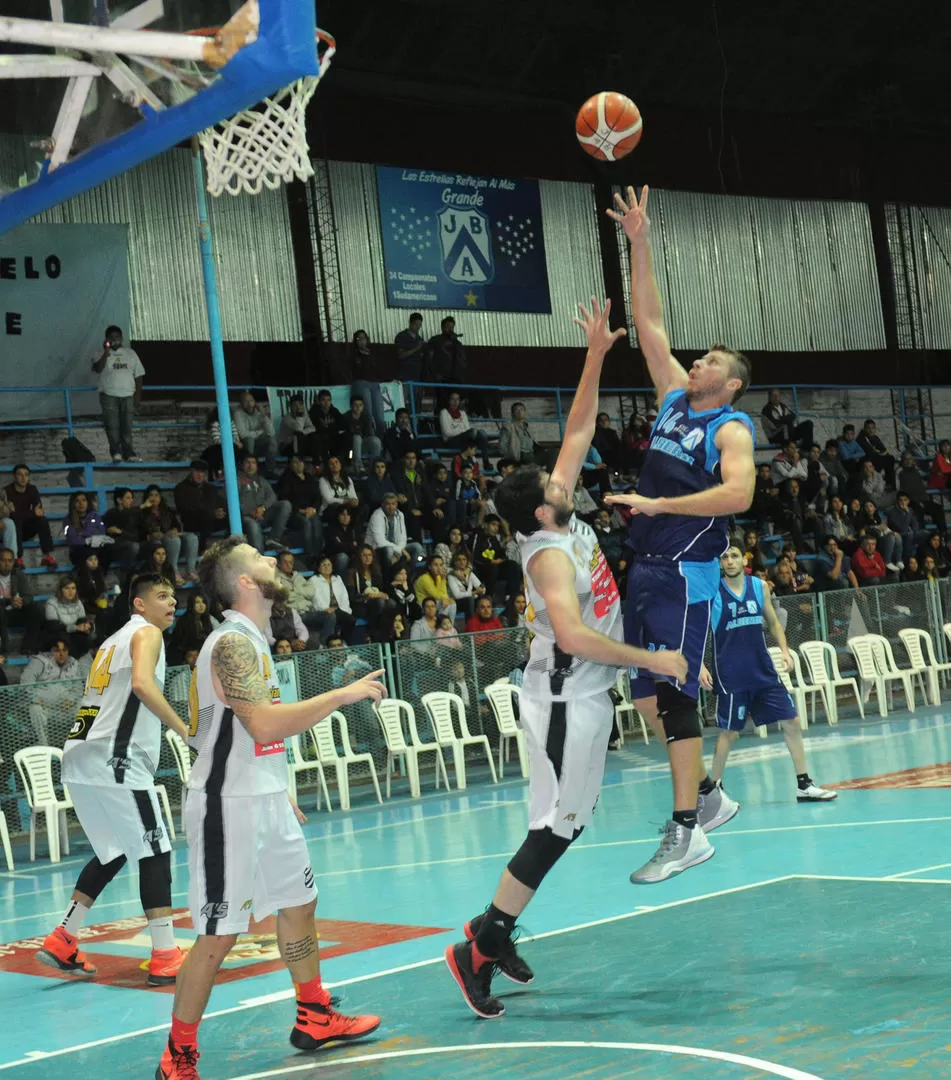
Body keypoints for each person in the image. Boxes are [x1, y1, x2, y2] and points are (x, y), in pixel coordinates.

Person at [445, 297, 687, 1019]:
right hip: (560, 694)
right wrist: (654, 658)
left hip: (585, 692)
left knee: (564, 824)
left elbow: (578, 426)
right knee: (555, 826)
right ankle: (479, 945)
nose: (565, 478)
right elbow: (574, 637)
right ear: (542, 513)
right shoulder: (547, 557)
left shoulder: (558, 515)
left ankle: (490, 931)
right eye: (555, 486)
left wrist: (593, 354)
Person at [153, 540, 383, 1078]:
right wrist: (339, 696)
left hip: (263, 798)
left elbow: (251, 733)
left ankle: (314, 1014)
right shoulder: (230, 643)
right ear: (246, 583)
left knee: (300, 900)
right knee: (218, 935)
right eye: (258, 557)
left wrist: (277, 786)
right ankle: (177, 1055)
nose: (272, 559)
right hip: (226, 807)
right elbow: (262, 722)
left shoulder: (253, 639)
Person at [605, 185, 756, 884]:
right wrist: (637, 241)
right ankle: (708, 794)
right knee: (642, 698)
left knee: (670, 695)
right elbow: (649, 323)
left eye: (708, 365)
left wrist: (660, 505)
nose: (694, 364)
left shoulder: (728, 427)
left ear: (729, 386)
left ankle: (686, 830)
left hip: (687, 575)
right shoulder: (672, 397)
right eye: (695, 362)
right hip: (647, 568)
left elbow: (739, 493)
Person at [36, 574, 189, 987]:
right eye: (162, 596)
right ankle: (164, 954)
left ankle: (64, 935)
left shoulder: (111, 642)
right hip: (116, 758)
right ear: (139, 605)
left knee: (115, 850)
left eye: (174, 596)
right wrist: (184, 729)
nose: (171, 602)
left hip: (81, 756)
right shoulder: (147, 634)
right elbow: (141, 684)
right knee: (155, 849)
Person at [701, 547, 836, 802]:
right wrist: (699, 666)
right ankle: (712, 791)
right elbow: (697, 630)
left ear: (744, 559)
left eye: (734, 556)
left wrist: (785, 651)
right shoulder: (712, 591)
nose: (729, 561)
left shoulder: (759, 587)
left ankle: (804, 784)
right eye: (724, 557)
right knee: (729, 731)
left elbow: (773, 622)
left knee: (792, 721)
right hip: (730, 673)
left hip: (762, 669)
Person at [92, 324, 144, 463]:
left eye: (117, 337)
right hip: (109, 396)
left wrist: (137, 396)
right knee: (112, 426)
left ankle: (129, 453)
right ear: (107, 339)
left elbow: (139, 376)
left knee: (126, 426)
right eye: (112, 337)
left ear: (122, 338)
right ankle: (116, 453)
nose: (115, 339)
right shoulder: (99, 353)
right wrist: (106, 352)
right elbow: (97, 369)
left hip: (128, 395)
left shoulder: (130, 353)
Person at [19, 634, 81, 745]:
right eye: (57, 651)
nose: (61, 654)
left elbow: (78, 688)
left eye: (64, 650)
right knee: (35, 708)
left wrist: (71, 700)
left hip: (65, 709)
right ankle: (44, 744)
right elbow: (26, 681)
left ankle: (77, 742)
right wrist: (35, 699)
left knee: (83, 704)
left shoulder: (73, 663)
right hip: (46, 709)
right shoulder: (40, 662)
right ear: (50, 651)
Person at [4, 464, 57, 570]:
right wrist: (32, 513)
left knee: (42, 520)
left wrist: (22, 513)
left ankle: (47, 556)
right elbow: (10, 515)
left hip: (27, 529)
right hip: (13, 531)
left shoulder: (32, 489)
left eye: (26, 475)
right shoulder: (6, 491)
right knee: (16, 520)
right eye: (20, 475)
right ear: (14, 477)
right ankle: (18, 558)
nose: (23, 478)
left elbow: (40, 512)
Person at [140, 485, 193, 586]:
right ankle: (174, 573)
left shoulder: (167, 511)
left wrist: (175, 529)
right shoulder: (142, 513)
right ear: (146, 498)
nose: (154, 498)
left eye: (157, 495)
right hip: (155, 541)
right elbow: (140, 530)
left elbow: (176, 525)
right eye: (151, 495)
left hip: (169, 537)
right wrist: (150, 535)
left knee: (191, 537)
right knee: (174, 541)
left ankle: (191, 570)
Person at [237, 454, 291, 553]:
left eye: (253, 463)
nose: (250, 465)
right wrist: (250, 512)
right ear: (242, 465)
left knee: (285, 505)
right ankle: (259, 556)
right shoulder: (236, 481)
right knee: (253, 526)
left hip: (262, 515)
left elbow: (272, 496)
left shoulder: (261, 480)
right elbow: (234, 502)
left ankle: (273, 539)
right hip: (246, 517)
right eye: (247, 462)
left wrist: (263, 508)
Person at [174, 461, 226, 562]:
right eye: (197, 472)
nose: (200, 475)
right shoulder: (181, 488)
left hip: (211, 521)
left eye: (202, 472)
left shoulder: (210, 488)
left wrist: (220, 511)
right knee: (205, 514)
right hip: (193, 523)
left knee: (233, 512)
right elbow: (184, 509)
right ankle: (201, 547)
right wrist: (212, 513)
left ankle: (229, 544)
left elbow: (221, 502)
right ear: (191, 472)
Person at [275, 456, 324, 561]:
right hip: (293, 513)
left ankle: (318, 554)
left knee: (316, 522)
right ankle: (310, 555)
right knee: (306, 522)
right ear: (290, 465)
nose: (298, 464)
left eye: (300, 461)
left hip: (310, 511)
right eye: (295, 462)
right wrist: (299, 510)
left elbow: (318, 497)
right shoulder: (286, 479)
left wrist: (314, 508)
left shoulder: (309, 478)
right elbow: (284, 498)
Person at [0, 545, 41, 655]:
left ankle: (28, 646)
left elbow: (29, 596)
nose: (6, 564)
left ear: (13, 562)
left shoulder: (18, 574)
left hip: (15, 612)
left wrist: (21, 602)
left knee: (37, 609)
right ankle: (4, 648)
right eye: (3, 560)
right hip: (2, 612)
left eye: (9, 560)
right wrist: (9, 601)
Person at [366, 493, 423, 567]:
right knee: (389, 550)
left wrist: (398, 551)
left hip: (396, 547)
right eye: (388, 504)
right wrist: (400, 551)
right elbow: (380, 542)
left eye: (393, 504)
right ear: (383, 504)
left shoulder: (400, 515)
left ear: (397, 504)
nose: (391, 507)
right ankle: (388, 576)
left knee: (417, 547)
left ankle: (409, 573)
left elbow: (402, 537)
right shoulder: (377, 516)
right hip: (377, 549)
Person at [232, 391, 278, 477]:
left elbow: (271, 432)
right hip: (245, 446)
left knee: (272, 440)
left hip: (259, 444)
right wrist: (259, 432)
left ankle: (270, 470)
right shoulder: (238, 413)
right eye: (246, 401)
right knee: (250, 440)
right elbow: (243, 434)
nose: (249, 403)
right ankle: (249, 470)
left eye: (251, 400)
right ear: (241, 404)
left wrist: (263, 415)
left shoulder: (259, 412)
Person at [169, 592, 217, 666]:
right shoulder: (184, 621)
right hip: (186, 658)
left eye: (203, 602)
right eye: (197, 602)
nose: (201, 605)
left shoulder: (209, 619)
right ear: (191, 605)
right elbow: (177, 645)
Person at [439, 391, 490, 461]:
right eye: (452, 399)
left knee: (482, 433)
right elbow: (447, 432)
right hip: (451, 441)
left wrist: (464, 432)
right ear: (448, 401)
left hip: (465, 440)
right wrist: (463, 431)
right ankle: (472, 460)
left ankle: (486, 461)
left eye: (457, 399)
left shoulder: (462, 413)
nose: (455, 402)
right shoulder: (444, 412)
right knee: (473, 432)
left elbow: (467, 429)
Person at [103, 486, 143, 568]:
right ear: (119, 500)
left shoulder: (134, 515)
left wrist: (121, 532)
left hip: (131, 545)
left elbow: (136, 536)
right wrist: (108, 531)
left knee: (154, 545)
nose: (131, 501)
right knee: (134, 547)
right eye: (128, 498)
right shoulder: (111, 513)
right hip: (115, 547)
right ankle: (128, 572)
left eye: (132, 498)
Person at [307, 389, 348, 464]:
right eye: (323, 400)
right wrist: (330, 428)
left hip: (332, 439)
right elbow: (313, 428)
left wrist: (329, 428)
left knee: (346, 436)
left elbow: (343, 424)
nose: (326, 403)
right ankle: (318, 465)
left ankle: (346, 461)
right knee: (319, 437)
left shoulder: (334, 411)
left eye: (328, 400)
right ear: (319, 401)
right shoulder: (314, 411)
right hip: (319, 441)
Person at [345, 396, 383, 475]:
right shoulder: (346, 417)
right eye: (355, 405)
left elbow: (369, 433)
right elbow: (345, 435)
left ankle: (374, 466)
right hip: (350, 449)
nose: (358, 407)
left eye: (360, 405)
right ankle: (359, 467)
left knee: (376, 441)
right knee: (356, 437)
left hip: (363, 444)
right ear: (351, 406)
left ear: (363, 406)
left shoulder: (367, 416)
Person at [414, 553, 457, 623]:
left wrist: (445, 599)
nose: (439, 568)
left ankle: (449, 627)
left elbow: (444, 593)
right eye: (435, 565)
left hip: (435, 601)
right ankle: (440, 625)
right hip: (422, 604)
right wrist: (443, 579)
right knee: (448, 603)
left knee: (452, 602)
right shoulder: (424, 578)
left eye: (441, 565)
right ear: (429, 567)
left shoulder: (438, 577)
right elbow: (436, 595)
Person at [276, 395, 318, 460]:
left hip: (297, 443)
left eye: (300, 404)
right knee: (298, 435)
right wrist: (299, 415)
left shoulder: (304, 415)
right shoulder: (287, 419)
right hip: (286, 446)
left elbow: (312, 428)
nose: (298, 407)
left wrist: (303, 432)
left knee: (314, 436)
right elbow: (298, 429)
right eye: (295, 405)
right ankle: (299, 461)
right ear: (290, 407)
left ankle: (316, 463)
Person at [857, 419, 896, 487]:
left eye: (873, 428)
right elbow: (869, 451)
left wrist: (884, 453)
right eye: (868, 428)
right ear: (865, 429)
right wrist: (879, 452)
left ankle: (889, 482)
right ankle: (877, 481)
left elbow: (883, 449)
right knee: (880, 458)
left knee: (890, 458)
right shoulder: (861, 438)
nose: (871, 430)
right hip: (865, 460)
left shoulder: (875, 438)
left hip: (875, 457)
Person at [394, 313, 426, 383]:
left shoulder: (420, 339)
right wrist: (416, 348)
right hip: (404, 376)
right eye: (416, 324)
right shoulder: (401, 336)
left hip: (417, 376)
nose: (418, 327)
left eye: (419, 325)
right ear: (410, 323)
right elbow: (401, 355)